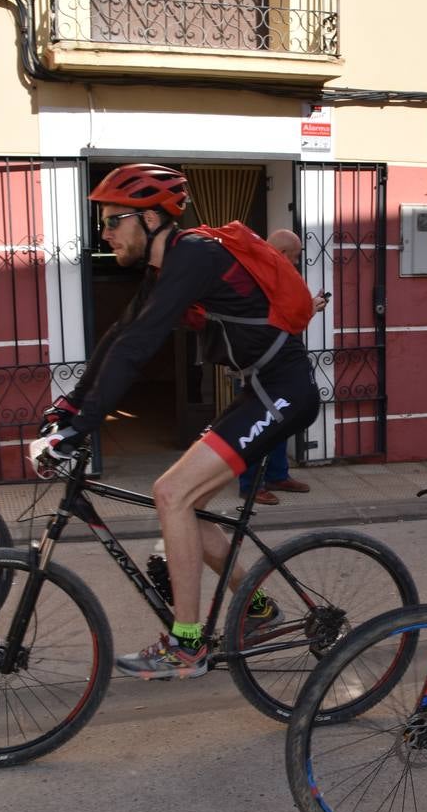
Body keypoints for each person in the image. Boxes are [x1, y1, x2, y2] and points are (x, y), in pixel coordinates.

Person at [32, 164, 320, 679]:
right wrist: (71, 408)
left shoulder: (194, 255)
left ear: (149, 217)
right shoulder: (165, 268)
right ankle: (258, 611)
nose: (105, 233)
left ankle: (187, 644)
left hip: (283, 390)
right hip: (257, 388)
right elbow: (121, 335)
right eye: (101, 223)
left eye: (112, 221)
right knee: (192, 507)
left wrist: (80, 428)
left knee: (172, 494)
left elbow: (142, 346)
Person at [237, 229, 328, 506]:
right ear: (284, 253)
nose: (298, 262)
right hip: (262, 362)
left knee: (281, 418)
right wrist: (310, 308)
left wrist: (308, 307)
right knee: (258, 423)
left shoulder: (268, 271)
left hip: (276, 361)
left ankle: (277, 475)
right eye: (297, 256)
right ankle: (250, 484)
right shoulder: (261, 275)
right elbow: (281, 321)